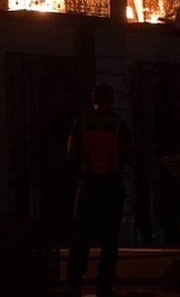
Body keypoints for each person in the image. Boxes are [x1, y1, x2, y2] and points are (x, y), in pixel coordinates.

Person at [66, 84, 134, 297]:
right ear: (112, 99)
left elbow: (71, 152)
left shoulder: (81, 123)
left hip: (87, 186)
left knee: (81, 238)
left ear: (93, 98)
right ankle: (104, 285)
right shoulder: (120, 125)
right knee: (109, 239)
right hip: (112, 187)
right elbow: (128, 155)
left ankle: (75, 282)